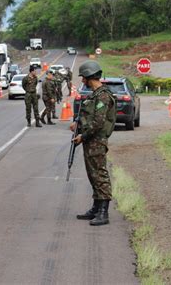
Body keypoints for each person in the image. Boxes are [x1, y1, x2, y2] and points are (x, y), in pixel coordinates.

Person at [70, 60, 116, 226]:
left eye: (84, 77)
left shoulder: (103, 96)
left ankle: (103, 212)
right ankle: (96, 208)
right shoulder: (95, 95)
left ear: (90, 76)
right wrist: (78, 125)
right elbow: (90, 118)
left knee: (100, 175)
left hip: (96, 141)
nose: (82, 81)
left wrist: (82, 136)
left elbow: (97, 122)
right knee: (93, 175)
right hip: (91, 141)